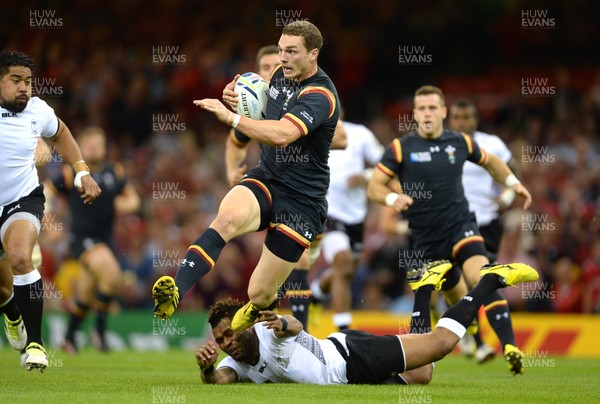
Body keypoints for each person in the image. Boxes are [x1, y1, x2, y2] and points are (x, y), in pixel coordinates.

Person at [153, 21, 340, 333]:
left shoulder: (321, 95)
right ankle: (176, 289)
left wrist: (231, 116)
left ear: (313, 54)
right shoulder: (280, 77)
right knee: (226, 218)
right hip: (266, 178)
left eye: (291, 51)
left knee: (261, 292)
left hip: (303, 201)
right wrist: (241, 100)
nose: (282, 58)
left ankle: (258, 319)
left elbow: (282, 134)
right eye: (280, 50)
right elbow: (261, 119)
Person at [367, 85, 532, 375]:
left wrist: (513, 184)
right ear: (415, 114)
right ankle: (443, 348)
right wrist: (394, 198)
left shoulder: (460, 142)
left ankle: (509, 346)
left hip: (460, 227)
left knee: (482, 275)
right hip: (424, 240)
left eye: (433, 108)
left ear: (443, 112)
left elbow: (492, 162)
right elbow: (374, 186)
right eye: (422, 109)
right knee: (444, 301)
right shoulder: (400, 147)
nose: (428, 113)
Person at [195, 262, 539, 384]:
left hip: (350, 356)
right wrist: (208, 369)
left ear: (244, 325)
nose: (225, 342)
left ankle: (490, 281)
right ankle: (423, 290)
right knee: (423, 372)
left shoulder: (266, 330)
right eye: (220, 339)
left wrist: (284, 325)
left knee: (442, 344)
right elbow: (220, 380)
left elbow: (294, 327)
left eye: (228, 332)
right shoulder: (234, 362)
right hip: (348, 376)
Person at [223, 44, 346, 331]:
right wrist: (232, 170)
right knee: (274, 272)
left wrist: (294, 129)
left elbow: (342, 138)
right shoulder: (256, 106)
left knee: (300, 262)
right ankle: (280, 326)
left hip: (304, 194)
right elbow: (235, 141)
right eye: (265, 69)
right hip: (270, 187)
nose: (271, 75)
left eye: (273, 68)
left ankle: (300, 328)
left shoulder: (308, 99)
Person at [0, 50, 101, 371]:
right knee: (3, 290)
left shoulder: (37, 110)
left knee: (19, 257)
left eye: (28, 81)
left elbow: (60, 134)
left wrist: (82, 170)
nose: (24, 88)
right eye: (15, 80)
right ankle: (12, 313)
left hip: (23, 199)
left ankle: (36, 344)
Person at [44, 126, 140, 353]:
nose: (95, 149)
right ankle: (100, 333)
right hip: (81, 239)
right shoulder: (72, 173)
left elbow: (133, 199)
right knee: (112, 275)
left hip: (105, 239)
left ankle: (68, 339)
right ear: (81, 147)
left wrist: (124, 204)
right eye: (90, 145)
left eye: (99, 144)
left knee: (85, 295)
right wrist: (48, 222)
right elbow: (46, 192)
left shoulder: (114, 171)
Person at [449, 98, 520, 362]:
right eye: (458, 118)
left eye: (467, 117)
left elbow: (512, 173)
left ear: (475, 120)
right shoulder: (442, 146)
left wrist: (505, 199)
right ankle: (482, 341)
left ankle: (476, 338)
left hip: (488, 222)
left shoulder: (492, 144)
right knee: (469, 280)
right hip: (453, 222)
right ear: (451, 120)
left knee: (479, 280)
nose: (463, 122)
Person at [310, 116, 384, 330]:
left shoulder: (360, 133)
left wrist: (367, 175)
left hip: (356, 216)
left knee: (347, 270)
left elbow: (386, 163)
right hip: (327, 213)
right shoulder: (311, 132)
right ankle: (343, 331)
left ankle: (316, 292)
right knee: (342, 262)